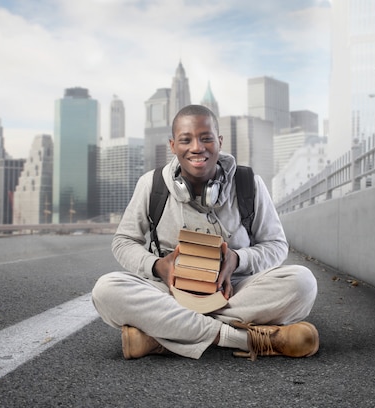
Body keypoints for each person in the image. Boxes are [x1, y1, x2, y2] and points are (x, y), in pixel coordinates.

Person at [92, 104, 319, 360]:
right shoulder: (151, 184)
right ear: (172, 145)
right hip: (169, 292)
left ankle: (161, 336)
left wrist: (237, 260)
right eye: (186, 140)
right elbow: (123, 241)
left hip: (233, 290)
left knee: (302, 283)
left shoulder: (249, 183)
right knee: (106, 290)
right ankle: (246, 338)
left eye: (206, 138)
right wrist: (158, 266)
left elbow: (276, 245)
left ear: (219, 141)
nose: (197, 147)